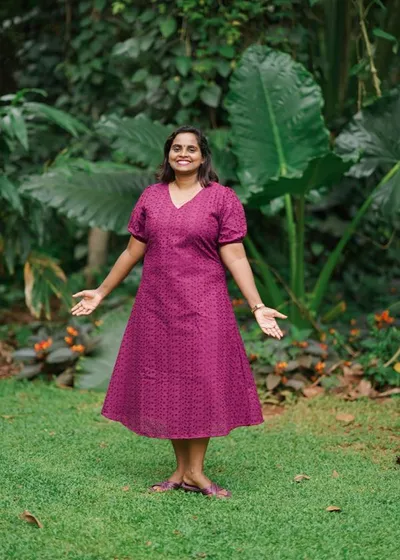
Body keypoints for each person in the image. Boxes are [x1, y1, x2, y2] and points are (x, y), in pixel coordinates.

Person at [71, 125, 287, 499]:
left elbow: (236, 256)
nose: (183, 154)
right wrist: (101, 291)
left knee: (200, 382)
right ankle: (181, 471)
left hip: (205, 305)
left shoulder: (222, 199)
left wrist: (257, 305)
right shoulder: (151, 197)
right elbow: (132, 251)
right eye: (176, 148)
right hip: (157, 307)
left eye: (191, 149)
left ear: (202, 157)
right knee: (171, 385)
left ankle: (196, 472)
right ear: (168, 154)